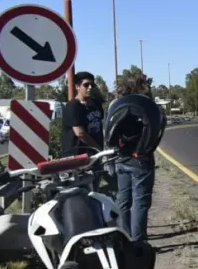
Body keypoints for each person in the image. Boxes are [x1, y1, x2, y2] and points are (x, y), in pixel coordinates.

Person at [108, 74, 160, 241]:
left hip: (120, 158)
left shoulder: (116, 105)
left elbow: (108, 131)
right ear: (140, 87)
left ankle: (124, 238)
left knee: (123, 200)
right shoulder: (145, 104)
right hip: (141, 159)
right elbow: (157, 129)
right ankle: (138, 242)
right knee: (140, 203)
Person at [62, 72, 104, 156]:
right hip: (77, 156)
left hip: (95, 155)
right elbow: (80, 133)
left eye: (92, 85)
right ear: (77, 87)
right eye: (86, 85)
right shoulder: (73, 105)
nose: (90, 87)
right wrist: (98, 149)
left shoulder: (96, 104)